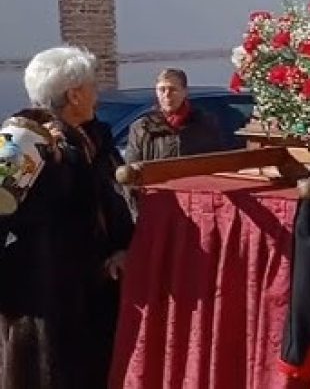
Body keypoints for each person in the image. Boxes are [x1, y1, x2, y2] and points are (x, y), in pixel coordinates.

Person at [0, 47, 134, 388]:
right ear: (74, 95)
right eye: (92, 86)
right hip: (43, 303)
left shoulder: (94, 140)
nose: (97, 94)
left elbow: (114, 204)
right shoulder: (23, 140)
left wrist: (122, 248)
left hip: (92, 301)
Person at [124, 68, 224, 162]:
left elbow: (215, 162)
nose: (167, 95)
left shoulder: (204, 123)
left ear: (185, 92)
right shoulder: (142, 127)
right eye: (162, 90)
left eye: (172, 89)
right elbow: (132, 168)